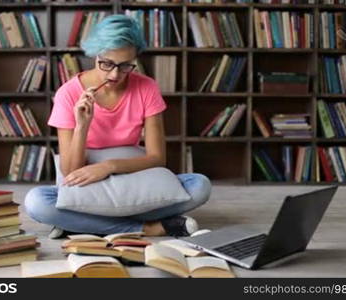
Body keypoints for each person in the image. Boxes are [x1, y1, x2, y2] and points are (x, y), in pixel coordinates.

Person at [25, 14, 211, 238]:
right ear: (95, 55)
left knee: (199, 185)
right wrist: (82, 127)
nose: (115, 74)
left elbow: (157, 158)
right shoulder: (68, 93)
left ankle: (83, 223)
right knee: (36, 202)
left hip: (132, 177)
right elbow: (71, 171)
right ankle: (145, 227)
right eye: (107, 63)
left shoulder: (146, 87)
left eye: (125, 66)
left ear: (134, 59)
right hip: (87, 184)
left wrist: (108, 166)